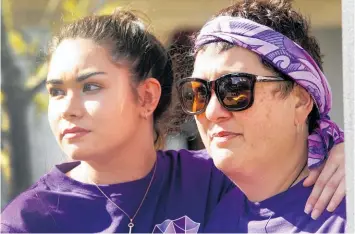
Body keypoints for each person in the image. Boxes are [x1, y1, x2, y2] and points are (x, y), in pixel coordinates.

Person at [0, 8, 345, 233]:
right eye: (56, 91)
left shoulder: (213, 178)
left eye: (235, 89)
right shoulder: (29, 219)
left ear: (148, 96)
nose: (211, 112)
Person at [175, 0, 346, 232]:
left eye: (235, 88)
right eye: (198, 92)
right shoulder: (197, 202)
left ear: (301, 100)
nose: (212, 112)